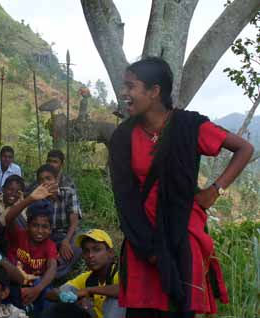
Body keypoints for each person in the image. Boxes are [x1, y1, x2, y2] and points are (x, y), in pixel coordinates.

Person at [109, 56, 254, 317]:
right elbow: (124, 197)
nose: (124, 93)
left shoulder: (189, 126)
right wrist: (150, 249)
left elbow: (245, 149)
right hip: (142, 240)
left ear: (154, 91)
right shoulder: (124, 136)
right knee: (141, 311)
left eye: (131, 86)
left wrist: (215, 190)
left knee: (179, 310)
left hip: (182, 239)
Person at [46, 229, 125, 318]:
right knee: (58, 309)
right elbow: (50, 295)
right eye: (86, 251)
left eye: (97, 249)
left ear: (110, 253)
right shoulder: (87, 278)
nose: (90, 255)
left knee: (116, 299)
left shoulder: (120, 273)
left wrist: (88, 290)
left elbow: (126, 289)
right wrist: (64, 296)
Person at [6, 200, 58, 316]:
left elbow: (52, 267)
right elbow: (8, 218)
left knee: (48, 294)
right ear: (28, 225)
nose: (39, 231)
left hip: (36, 285)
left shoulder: (50, 245)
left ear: (50, 229)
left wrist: (37, 289)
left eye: (45, 227)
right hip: (15, 280)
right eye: (35, 225)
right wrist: (29, 199)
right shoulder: (19, 235)